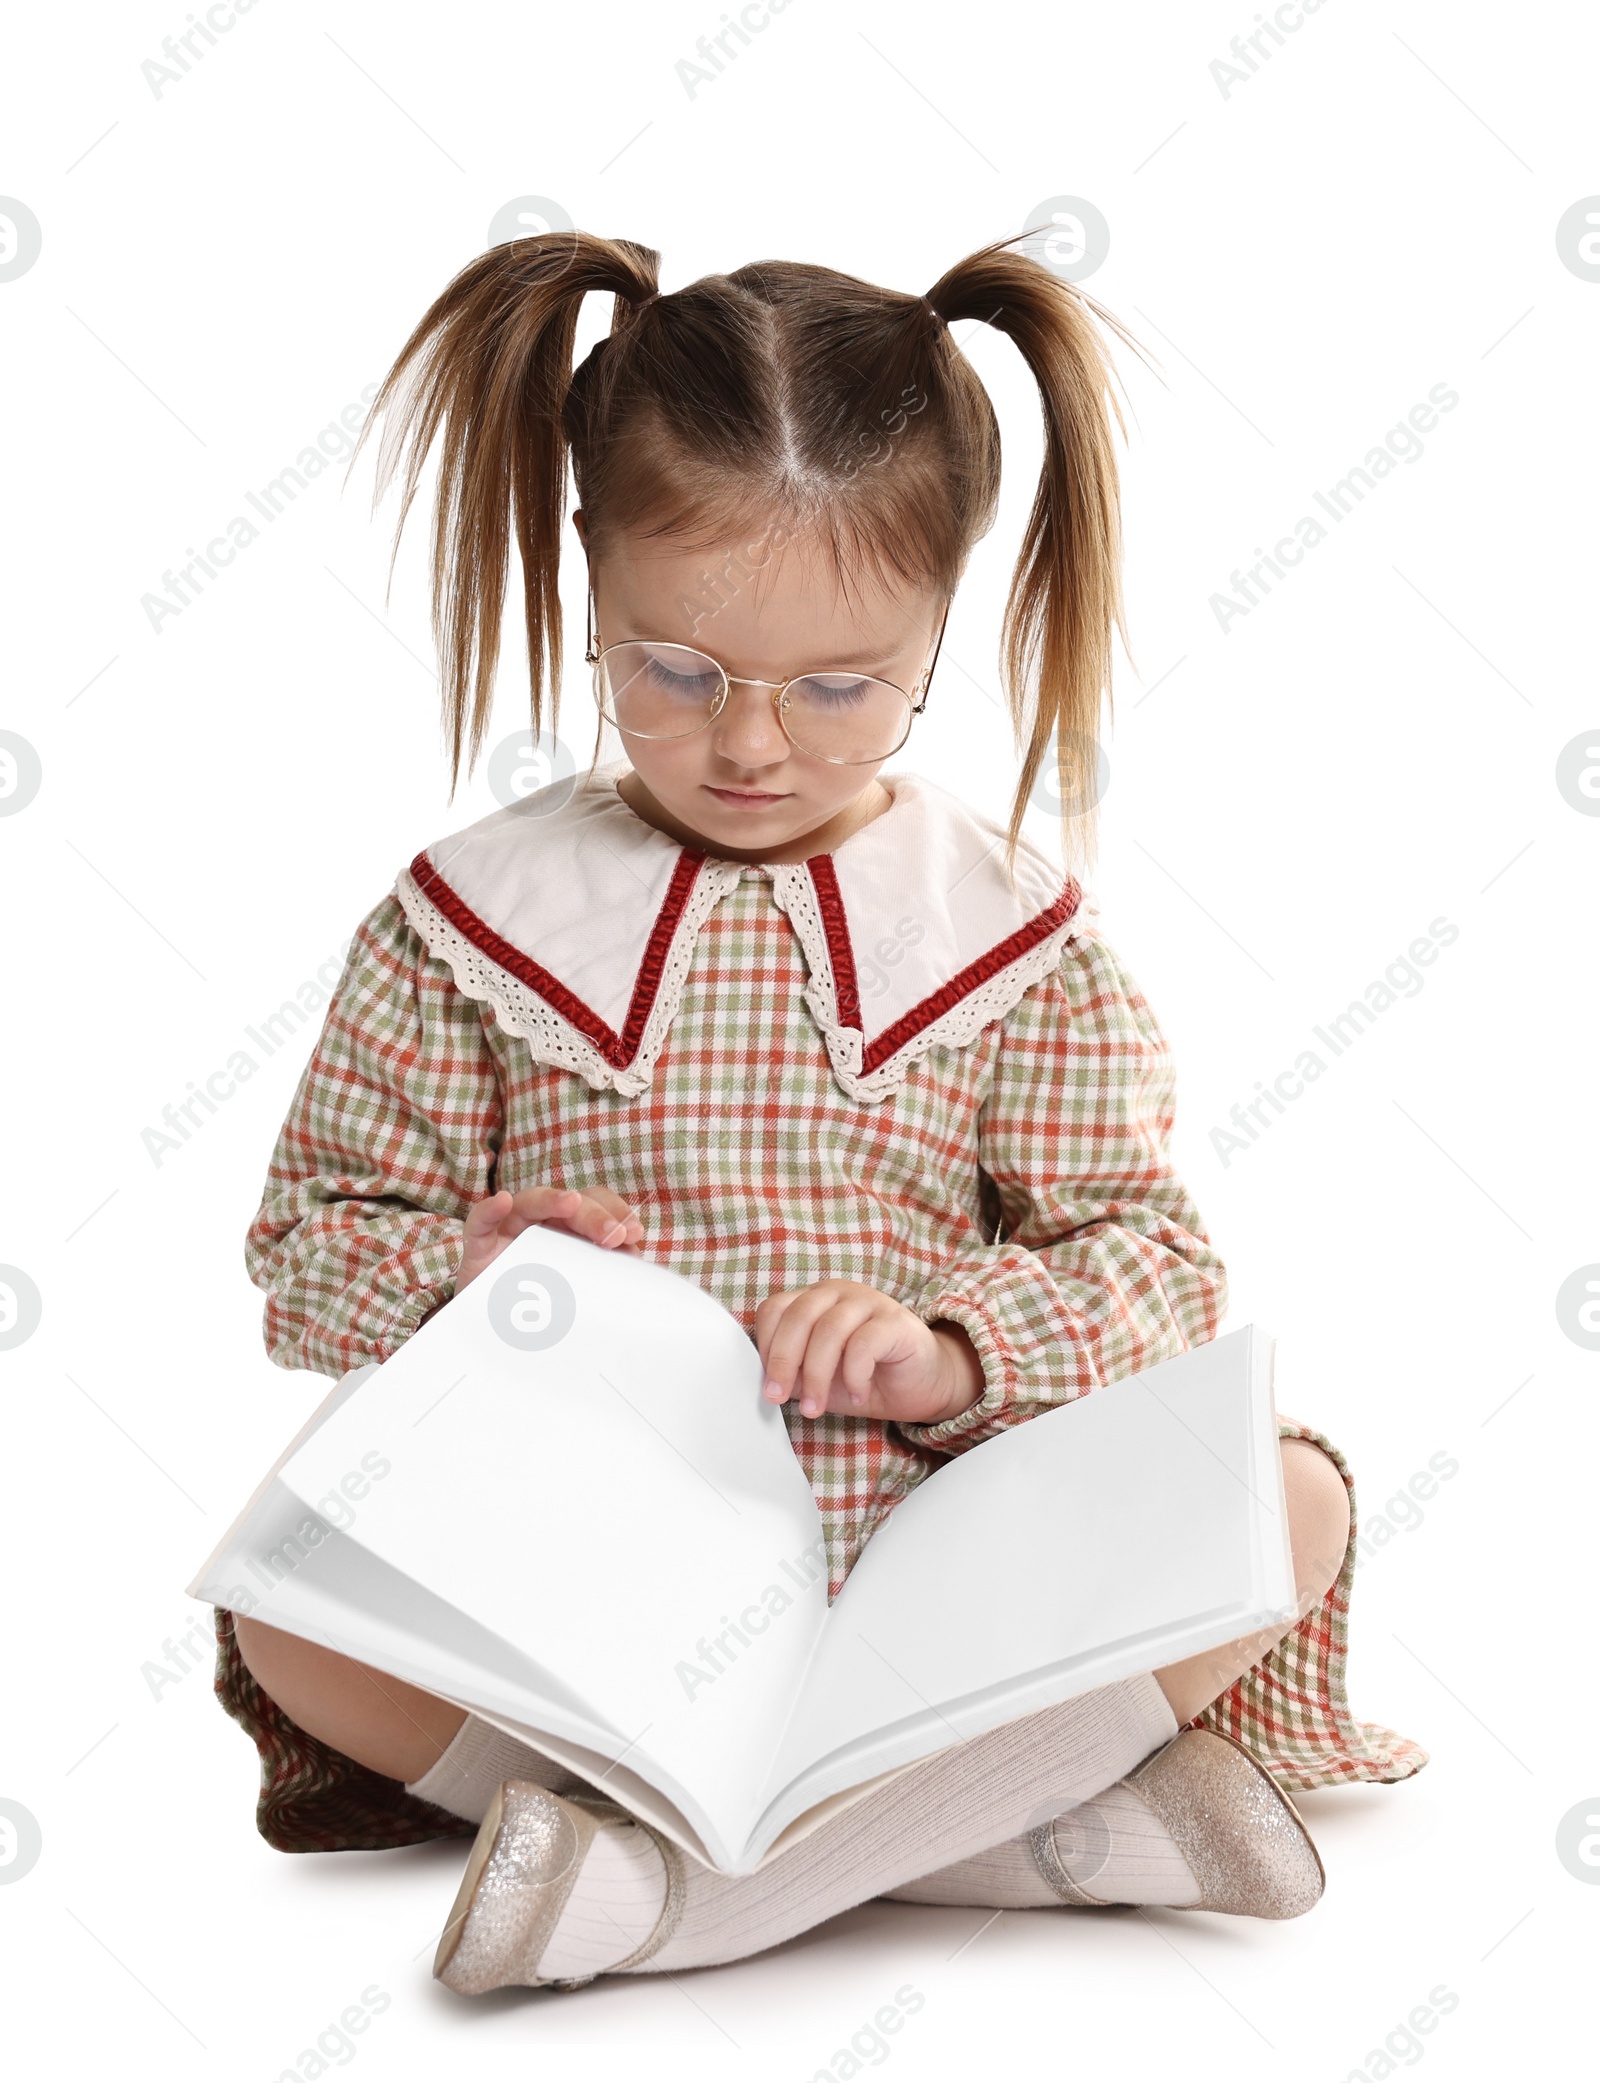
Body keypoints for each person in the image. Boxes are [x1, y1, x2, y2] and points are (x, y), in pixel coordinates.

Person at [215, 229, 1425, 1994]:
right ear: (588, 577)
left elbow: (1153, 1264)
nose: (753, 745)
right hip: (600, 1583)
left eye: (842, 685)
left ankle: (668, 1897)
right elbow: (305, 1252)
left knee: (1285, 1493)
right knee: (288, 1586)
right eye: (676, 669)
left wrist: (951, 1347)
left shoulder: (1011, 935)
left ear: (943, 618)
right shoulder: (466, 921)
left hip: (943, 1579)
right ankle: (1010, 1841)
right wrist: (469, 1272)